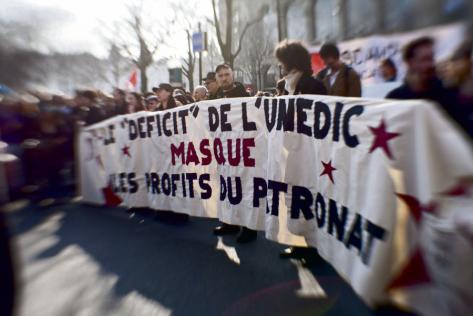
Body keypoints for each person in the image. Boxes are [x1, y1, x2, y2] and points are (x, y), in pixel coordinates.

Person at [274, 40, 327, 262]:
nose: (280, 67)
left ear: (291, 62)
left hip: (311, 153)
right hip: (293, 151)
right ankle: (299, 240)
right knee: (293, 195)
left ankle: (314, 247)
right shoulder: (285, 87)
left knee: (309, 195)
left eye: (282, 62)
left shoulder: (313, 86)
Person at [212, 63, 255, 243]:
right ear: (217, 78)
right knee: (227, 186)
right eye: (220, 75)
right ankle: (229, 222)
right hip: (223, 150)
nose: (224, 78)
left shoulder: (244, 96)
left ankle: (249, 228)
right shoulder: (214, 97)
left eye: (226, 74)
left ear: (232, 75)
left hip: (242, 150)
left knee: (244, 187)